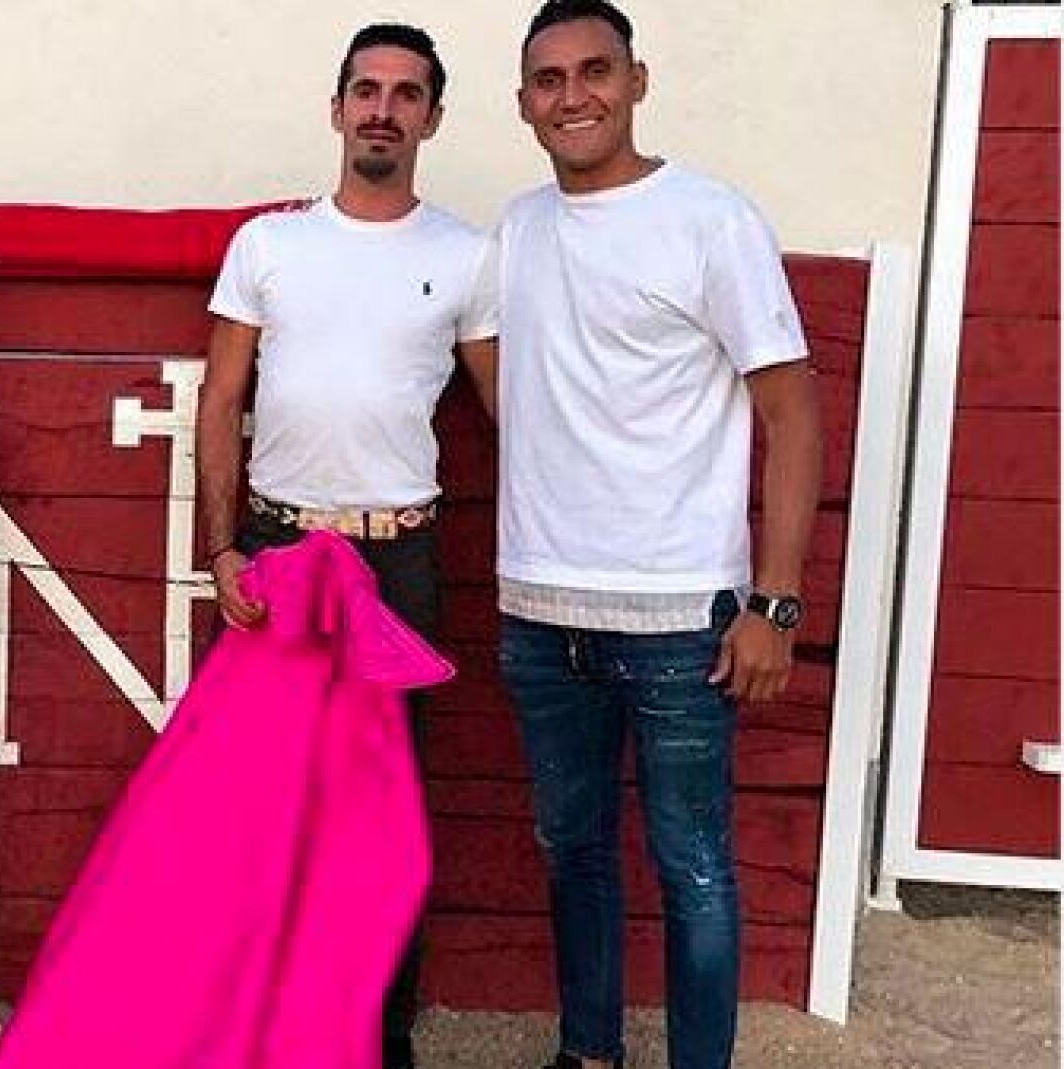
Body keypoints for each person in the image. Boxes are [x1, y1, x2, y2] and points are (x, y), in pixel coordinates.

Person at [484, 3, 823, 1068]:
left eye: (595, 71)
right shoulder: (518, 229)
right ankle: (588, 1053)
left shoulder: (711, 220)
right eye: (548, 79)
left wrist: (773, 604)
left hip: (681, 616)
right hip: (540, 609)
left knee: (693, 867)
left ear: (637, 81)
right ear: (523, 103)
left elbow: (793, 415)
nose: (572, 95)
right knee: (571, 849)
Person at [194, 23, 497, 1069]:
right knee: (258, 809)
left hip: (395, 563)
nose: (382, 110)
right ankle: (256, 1025)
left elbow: (510, 410)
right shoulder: (268, 245)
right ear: (336, 109)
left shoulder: (467, 256)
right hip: (277, 552)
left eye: (406, 94)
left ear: (432, 119)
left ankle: (376, 1034)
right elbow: (221, 400)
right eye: (366, 90)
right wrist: (223, 551)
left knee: (380, 818)